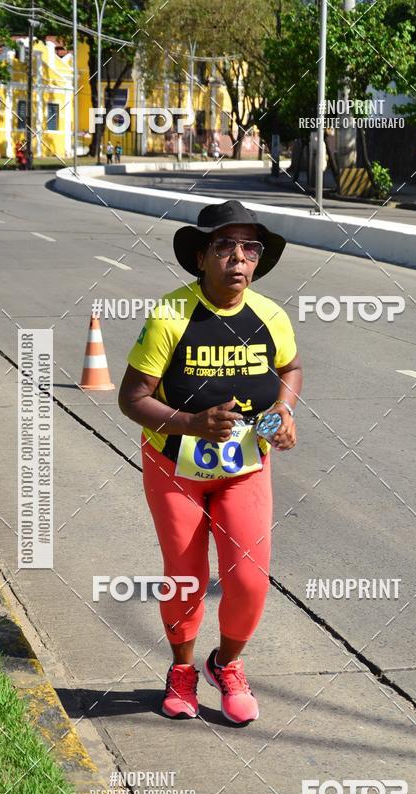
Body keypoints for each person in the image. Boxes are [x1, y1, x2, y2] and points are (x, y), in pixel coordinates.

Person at [118, 199, 302, 725]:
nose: (238, 259)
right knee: (186, 575)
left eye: (250, 248)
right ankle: (181, 670)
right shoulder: (171, 315)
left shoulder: (271, 316)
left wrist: (283, 412)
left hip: (246, 467)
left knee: (249, 579)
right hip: (174, 467)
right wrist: (192, 423)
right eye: (224, 246)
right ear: (201, 257)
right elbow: (132, 398)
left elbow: (291, 370)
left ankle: (227, 663)